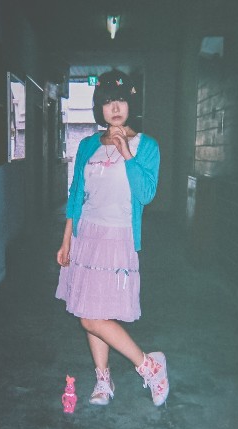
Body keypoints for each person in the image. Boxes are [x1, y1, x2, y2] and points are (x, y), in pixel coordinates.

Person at [55, 69, 169, 407]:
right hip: (87, 236)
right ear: (99, 108)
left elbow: (146, 194)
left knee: (93, 316)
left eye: (120, 100)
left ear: (131, 104)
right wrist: (67, 240)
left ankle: (148, 365)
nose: (115, 108)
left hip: (118, 237)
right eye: (107, 102)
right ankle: (103, 381)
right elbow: (76, 195)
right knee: (91, 311)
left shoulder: (147, 147)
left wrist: (126, 152)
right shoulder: (88, 145)